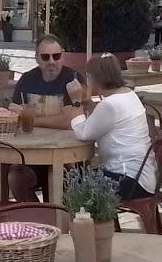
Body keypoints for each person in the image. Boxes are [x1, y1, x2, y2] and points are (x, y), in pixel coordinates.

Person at [66, 55, 156, 199]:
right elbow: (107, 120)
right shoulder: (128, 94)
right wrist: (89, 104)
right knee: (75, 175)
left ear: (96, 78)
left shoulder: (110, 104)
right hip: (142, 176)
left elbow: (83, 134)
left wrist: (76, 101)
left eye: (88, 76)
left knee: (67, 182)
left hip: (127, 178)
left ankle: (73, 220)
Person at [10, 34, 84, 129]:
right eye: (45, 57)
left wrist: (30, 120)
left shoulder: (74, 79)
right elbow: (14, 114)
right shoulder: (26, 79)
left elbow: (68, 121)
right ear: (37, 58)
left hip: (66, 142)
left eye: (56, 56)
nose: (51, 62)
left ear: (62, 57)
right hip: (31, 140)